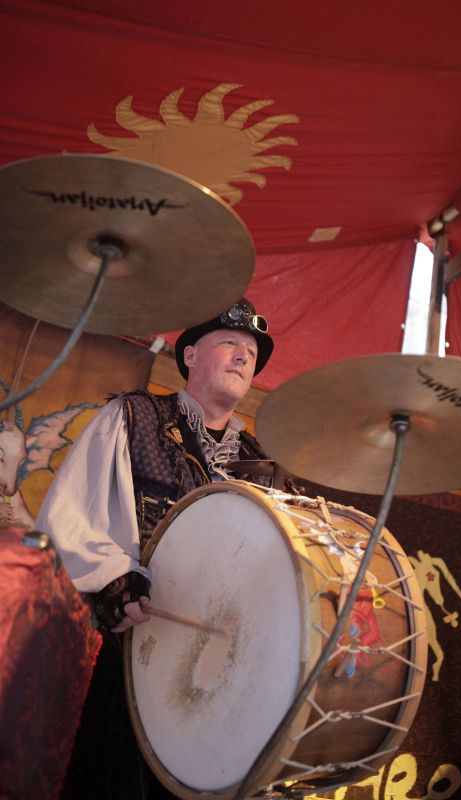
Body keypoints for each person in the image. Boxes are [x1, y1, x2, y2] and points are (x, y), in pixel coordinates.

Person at [35, 297, 274, 799]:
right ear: (190, 355)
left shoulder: (262, 467)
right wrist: (115, 577)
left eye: (252, 353)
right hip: (130, 654)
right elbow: (67, 516)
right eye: (230, 343)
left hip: (218, 674)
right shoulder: (132, 416)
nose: (243, 356)